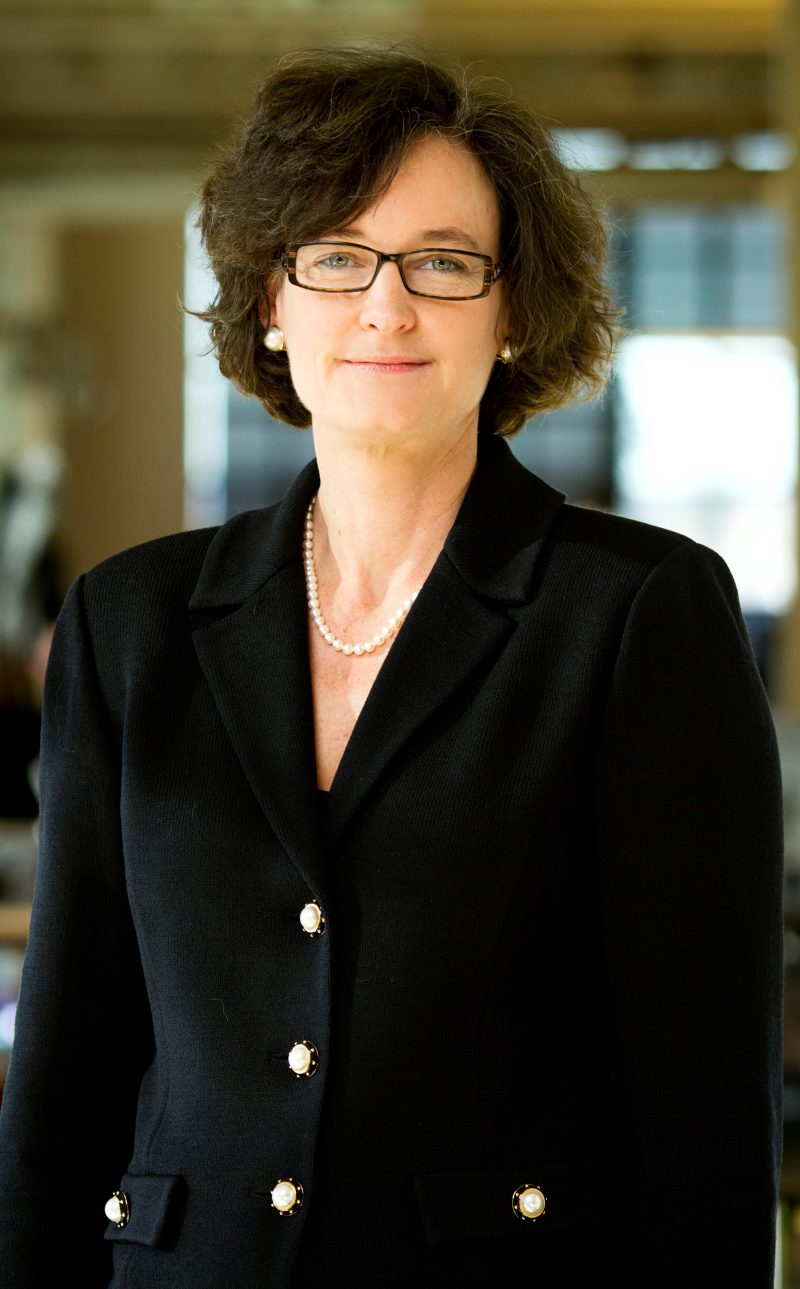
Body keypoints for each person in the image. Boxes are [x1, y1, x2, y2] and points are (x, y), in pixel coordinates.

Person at [0, 44, 784, 1289]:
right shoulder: (129, 620)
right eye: (335, 257)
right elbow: (66, 1072)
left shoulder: (638, 612)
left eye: (442, 261)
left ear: (513, 310)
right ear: (270, 298)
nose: (385, 306)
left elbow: (701, 1113)